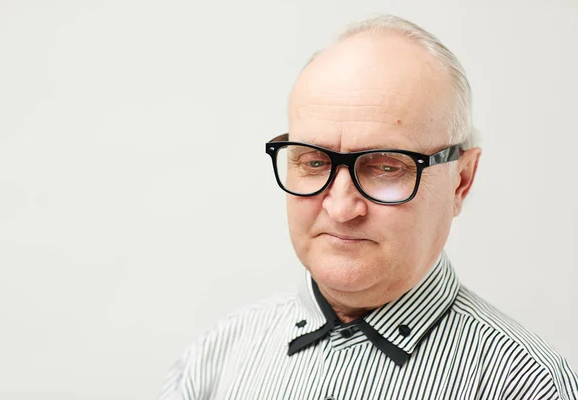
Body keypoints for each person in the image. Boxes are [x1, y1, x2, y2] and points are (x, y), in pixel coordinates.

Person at [159, 15, 578, 399]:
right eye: (314, 161)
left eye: (385, 167)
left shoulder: (529, 385)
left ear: (461, 181)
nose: (341, 208)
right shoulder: (215, 360)